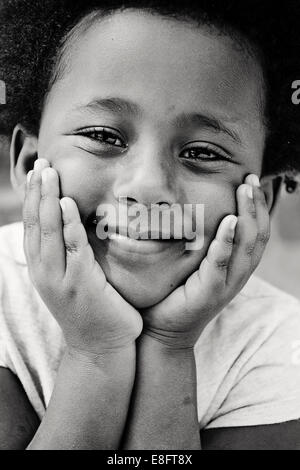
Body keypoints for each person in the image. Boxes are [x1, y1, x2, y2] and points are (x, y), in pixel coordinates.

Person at [0, 0, 300, 450]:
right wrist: (96, 354)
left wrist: (170, 345)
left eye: (202, 152)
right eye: (104, 137)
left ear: (263, 199)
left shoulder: (280, 343)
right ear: (28, 163)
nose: (148, 187)